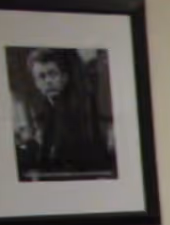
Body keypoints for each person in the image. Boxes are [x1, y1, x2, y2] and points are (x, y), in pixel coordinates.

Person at [12, 47, 114, 180]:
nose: (48, 81)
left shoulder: (79, 111)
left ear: (65, 78)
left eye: (53, 74)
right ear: (36, 83)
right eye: (42, 77)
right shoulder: (44, 112)